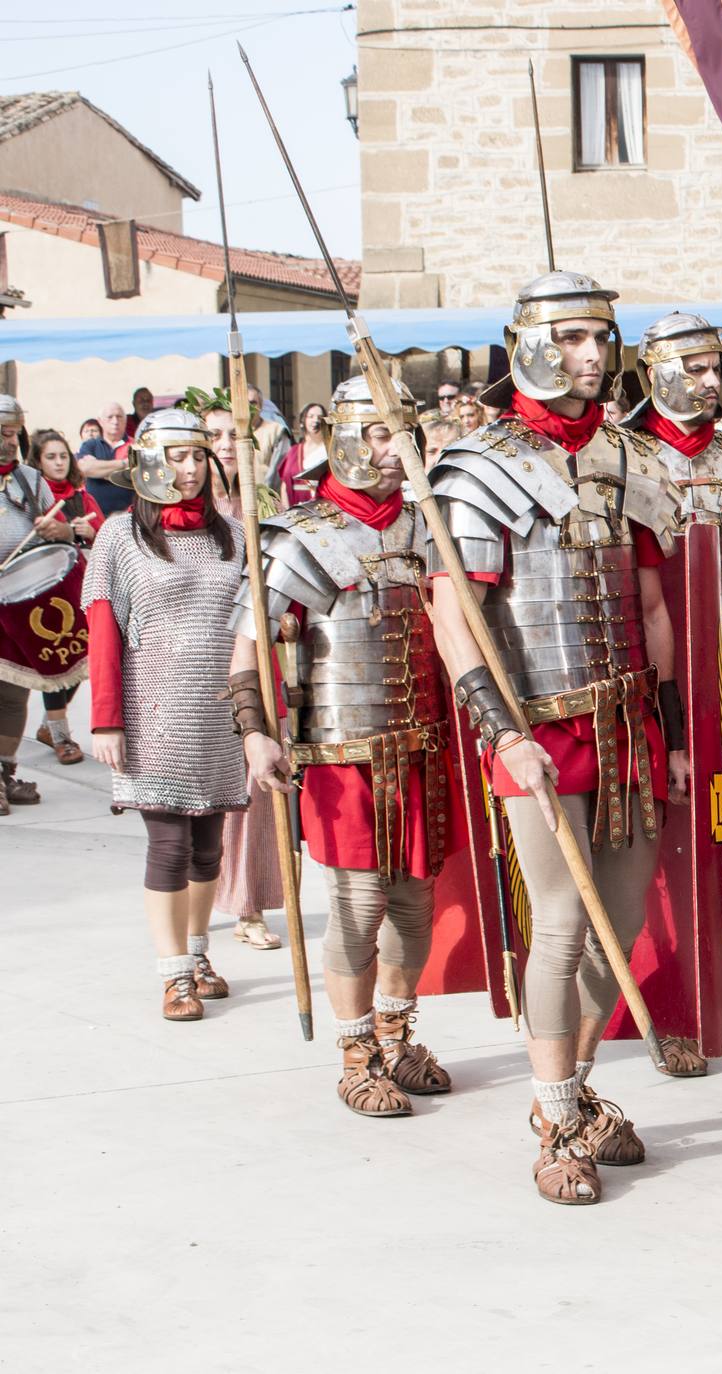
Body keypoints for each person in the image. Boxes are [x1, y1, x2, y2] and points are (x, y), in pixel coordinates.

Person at [425, 270, 687, 1205]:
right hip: (539, 728)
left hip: (626, 724)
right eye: (570, 338)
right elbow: (457, 616)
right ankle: (553, 1112)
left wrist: (672, 727)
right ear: (527, 345)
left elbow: (651, 605)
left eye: (599, 338)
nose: (589, 355)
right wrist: (503, 734)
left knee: (622, 924)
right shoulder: (478, 466)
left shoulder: (627, 458)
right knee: (566, 922)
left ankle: (568, 1091)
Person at [233, 375, 457, 1116]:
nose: (396, 451)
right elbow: (248, 647)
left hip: (421, 743)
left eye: (403, 432)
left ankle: (396, 1033)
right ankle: (356, 1052)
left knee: (415, 907)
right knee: (358, 907)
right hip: (340, 754)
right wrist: (256, 730)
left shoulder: (431, 525)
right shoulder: (300, 534)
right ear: (348, 439)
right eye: (381, 434)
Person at [627, 309, 722, 1067]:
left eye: (715, 366)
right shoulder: (623, 459)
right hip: (656, 672)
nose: (710, 380)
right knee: (665, 841)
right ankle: (673, 1004)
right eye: (692, 368)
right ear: (654, 371)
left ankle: (716, 982)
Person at [81, 410, 250, 1019]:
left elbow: (252, 625)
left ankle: (199, 951)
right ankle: (173, 971)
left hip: (218, 711)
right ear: (148, 461)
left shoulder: (232, 534)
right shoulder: (119, 537)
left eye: (198, 457)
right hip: (153, 709)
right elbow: (103, 632)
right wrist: (105, 720)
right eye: (176, 458)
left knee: (210, 847)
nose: (189, 470)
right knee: (170, 846)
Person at [196, 397, 287, 949]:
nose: (226, 445)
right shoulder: (180, 511)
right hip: (200, 662)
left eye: (235, 434)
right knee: (204, 786)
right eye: (215, 435)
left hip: (254, 656)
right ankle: (202, 893)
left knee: (255, 785)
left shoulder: (266, 503)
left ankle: (248, 904)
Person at [0, 398, 85, 813]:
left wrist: (61, 530)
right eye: (1, 433)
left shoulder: (30, 479)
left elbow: (59, 538)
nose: (8, 441)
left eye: (13, 433)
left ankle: (3, 772)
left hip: (18, 604)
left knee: (13, 697)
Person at [26, 430, 101, 765]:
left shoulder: (82, 497)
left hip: (81, 586)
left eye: (63, 456)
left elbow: (103, 539)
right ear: (38, 462)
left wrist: (91, 533)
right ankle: (60, 735)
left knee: (83, 659)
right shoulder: (29, 494)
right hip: (44, 591)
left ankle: (48, 726)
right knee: (54, 657)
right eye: (50, 457)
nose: (58, 463)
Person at [78, 401, 136, 517]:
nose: (115, 421)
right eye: (110, 417)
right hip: (95, 516)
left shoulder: (135, 445)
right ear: (100, 421)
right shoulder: (90, 445)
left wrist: (100, 469)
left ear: (125, 420)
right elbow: (85, 468)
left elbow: (135, 473)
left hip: (129, 516)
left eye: (119, 417)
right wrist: (124, 464)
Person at [272, 403, 328, 506]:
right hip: (295, 506)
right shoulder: (294, 451)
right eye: (310, 416)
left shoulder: (328, 451)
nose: (315, 420)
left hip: (322, 506)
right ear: (303, 421)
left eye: (320, 417)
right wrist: (287, 510)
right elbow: (285, 485)